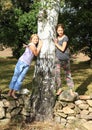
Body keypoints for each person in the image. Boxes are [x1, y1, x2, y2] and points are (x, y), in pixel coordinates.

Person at [8, 34, 43, 99]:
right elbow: (36, 54)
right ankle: (10, 92)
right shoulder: (32, 45)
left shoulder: (32, 45)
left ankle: (13, 92)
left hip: (27, 64)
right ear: (31, 39)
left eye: (37, 39)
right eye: (34, 39)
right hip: (21, 62)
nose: (36, 40)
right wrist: (40, 46)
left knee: (20, 79)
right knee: (16, 76)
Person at [54, 24, 74, 96]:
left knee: (68, 75)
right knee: (57, 74)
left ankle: (71, 89)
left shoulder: (65, 38)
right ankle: (59, 88)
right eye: (59, 30)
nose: (60, 32)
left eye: (61, 30)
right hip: (57, 59)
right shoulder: (56, 38)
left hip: (65, 58)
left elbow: (62, 49)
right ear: (56, 31)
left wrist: (56, 44)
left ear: (63, 30)